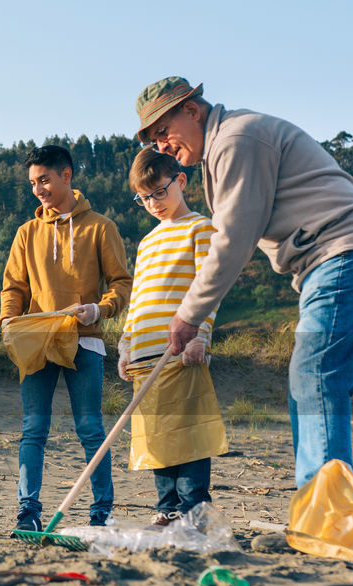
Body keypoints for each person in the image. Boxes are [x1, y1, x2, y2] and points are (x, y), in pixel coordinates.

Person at [134, 77, 353, 486]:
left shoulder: (236, 138)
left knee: (315, 376)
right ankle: (320, 506)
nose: (162, 146)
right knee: (310, 382)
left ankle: (326, 514)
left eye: (163, 131)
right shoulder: (221, 148)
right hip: (335, 259)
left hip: (344, 252)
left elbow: (233, 239)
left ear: (191, 110)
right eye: (153, 141)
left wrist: (188, 316)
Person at [0, 145, 132, 531]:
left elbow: (122, 284)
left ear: (67, 176)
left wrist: (100, 310)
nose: (38, 189)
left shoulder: (100, 227)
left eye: (44, 180)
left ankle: (101, 512)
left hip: (84, 339)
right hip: (37, 341)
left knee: (90, 428)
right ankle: (28, 511)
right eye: (32, 183)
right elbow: (14, 287)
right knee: (33, 429)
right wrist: (8, 318)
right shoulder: (27, 233)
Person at [118, 147, 228, 526]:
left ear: (180, 181)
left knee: (187, 434)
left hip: (181, 351)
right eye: (144, 198)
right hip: (146, 356)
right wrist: (126, 342)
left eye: (159, 193)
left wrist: (201, 335)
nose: (153, 203)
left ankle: (194, 511)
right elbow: (138, 298)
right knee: (156, 436)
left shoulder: (201, 227)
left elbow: (207, 286)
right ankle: (166, 510)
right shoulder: (146, 243)